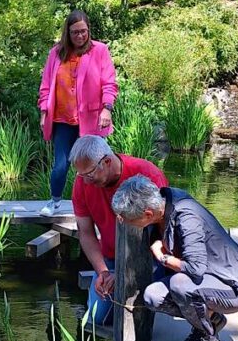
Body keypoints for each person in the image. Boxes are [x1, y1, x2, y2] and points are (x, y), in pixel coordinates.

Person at [111, 175, 238, 341]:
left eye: (128, 218)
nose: (124, 222)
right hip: (206, 282)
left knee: (180, 285)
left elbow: (195, 269)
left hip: (235, 288)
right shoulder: (162, 204)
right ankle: (210, 319)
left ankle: (207, 337)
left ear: (147, 214)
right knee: (152, 297)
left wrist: (162, 257)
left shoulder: (186, 217)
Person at [69, 136, 167, 325]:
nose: (85, 181)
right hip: (111, 259)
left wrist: (125, 273)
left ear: (106, 161)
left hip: (149, 257)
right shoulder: (82, 183)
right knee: (95, 319)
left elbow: (163, 231)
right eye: (81, 176)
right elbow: (86, 233)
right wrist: (103, 272)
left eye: (89, 174)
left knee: (139, 314)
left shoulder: (146, 174)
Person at [38, 10, 118, 217]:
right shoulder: (56, 53)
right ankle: (55, 201)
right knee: (60, 166)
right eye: (75, 32)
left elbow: (109, 83)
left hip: (91, 119)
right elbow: (46, 86)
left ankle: (101, 204)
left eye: (83, 31)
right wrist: (43, 113)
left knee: (95, 165)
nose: (80, 36)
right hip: (62, 120)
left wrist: (107, 109)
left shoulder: (99, 50)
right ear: (68, 32)